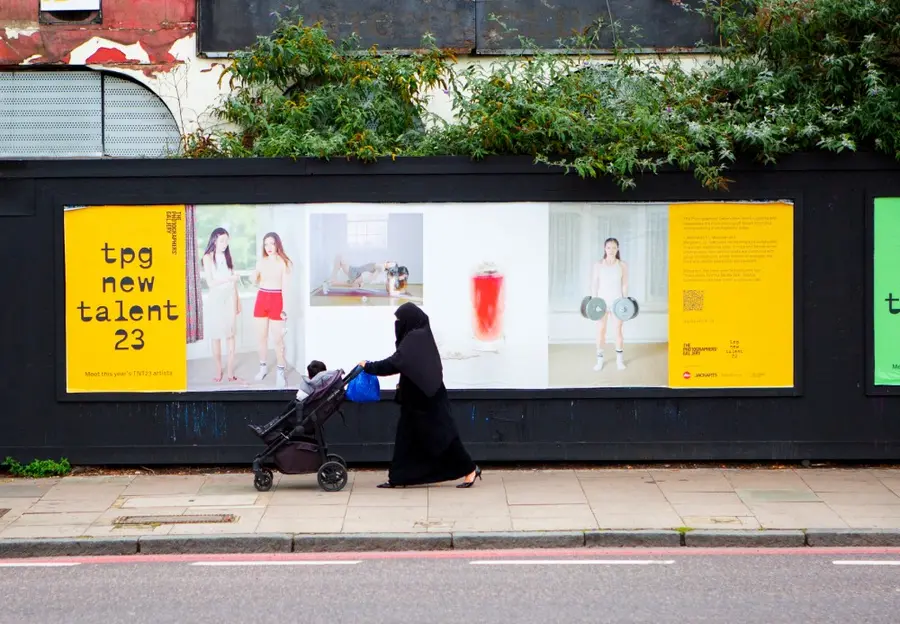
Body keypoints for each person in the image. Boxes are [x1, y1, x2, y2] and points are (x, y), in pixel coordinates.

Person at [359, 302, 481, 489]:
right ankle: (398, 478)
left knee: (443, 437)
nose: (397, 324)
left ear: (409, 320)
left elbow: (395, 363)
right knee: (406, 439)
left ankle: (470, 469)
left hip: (428, 398)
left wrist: (369, 366)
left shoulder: (416, 338)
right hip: (415, 398)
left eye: (400, 320)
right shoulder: (419, 336)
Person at [252, 232, 292, 389]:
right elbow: (255, 281)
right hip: (262, 298)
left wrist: (285, 309)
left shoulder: (284, 263)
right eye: (266, 244)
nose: (268, 247)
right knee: (261, 337)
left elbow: (286, 288)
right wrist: (254, 275)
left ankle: (280, 372)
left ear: (277, 244)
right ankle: (262, 367)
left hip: (277, 300)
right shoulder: (261, 262)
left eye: (272, 243)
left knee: (278, 340)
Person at [201, 227, 241, 383]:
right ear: (214, 240)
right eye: (222, 241)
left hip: (230, 296)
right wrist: (229, 279)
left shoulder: (229, 257)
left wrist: (237, 301)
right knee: (216, 335)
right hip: (216, 298)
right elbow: (210, 282)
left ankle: (230, 372)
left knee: (231, 334)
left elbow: (235, 283)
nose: (225, 244)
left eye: (226, 241)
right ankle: (218, 371)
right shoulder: (208, 257)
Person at [591, 237, 629, 372]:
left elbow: (624, 285)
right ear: (604, 249)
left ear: (617, 249)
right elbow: (594, 284)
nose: (611, 250)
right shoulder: (598, 265)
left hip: (617, 303)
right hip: (601, 303)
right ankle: (599, 360)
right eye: (608, 247)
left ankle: (619, 360)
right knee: (601, 330)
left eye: (614, 247)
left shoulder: (622, 265)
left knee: (618, 330)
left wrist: (625, 301)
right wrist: (594, 300)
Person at [326, 255, 409, 296]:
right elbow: (371, 278)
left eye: (391, 263)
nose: (389, 262)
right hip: (356, 273)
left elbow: (371, 278)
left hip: (357, 274)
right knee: (340, 258)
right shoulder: (382, 267)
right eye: (390, 262)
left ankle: (330, 282)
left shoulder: (383, 269)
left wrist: (361, 282)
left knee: (353, 285)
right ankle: (331, 281)